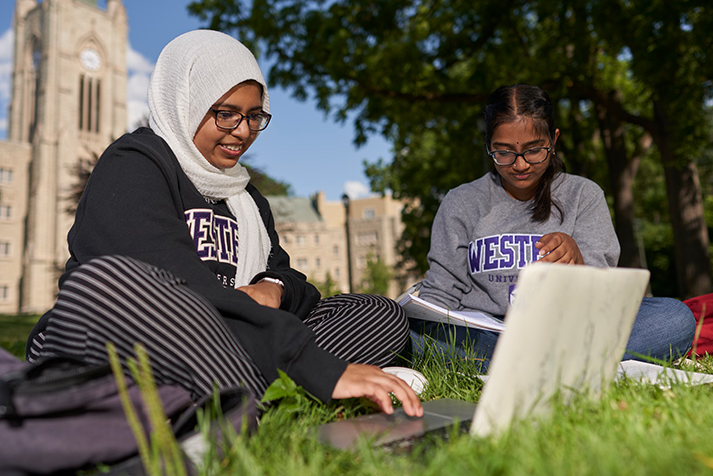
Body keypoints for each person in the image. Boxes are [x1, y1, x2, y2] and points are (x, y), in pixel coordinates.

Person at [26, 30, 422, 417]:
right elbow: (165, 286)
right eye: (226, 114)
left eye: (254, 116)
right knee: (124, 286)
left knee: (378, 313)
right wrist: (309, 360)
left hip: (226, 344)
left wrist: (274, 289)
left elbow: (298, 287)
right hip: (128, 339)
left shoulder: (247, 198)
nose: (244, 131)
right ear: (186, 102)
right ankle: (269, 388)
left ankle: (228, 398)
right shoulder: (134, 164)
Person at [410, 83, 696, 372]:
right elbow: (441, 293)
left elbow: (606, 296)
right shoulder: (461, 202)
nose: (520, 165)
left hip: (569, 330)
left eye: (534, 150)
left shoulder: (583, 195)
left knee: (674, 317)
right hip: (487, 337)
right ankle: (565, 366)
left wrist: (578, 260)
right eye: (504, 152)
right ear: (488, 145)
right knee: (412, 333)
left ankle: (521, 368)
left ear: (553, 139)